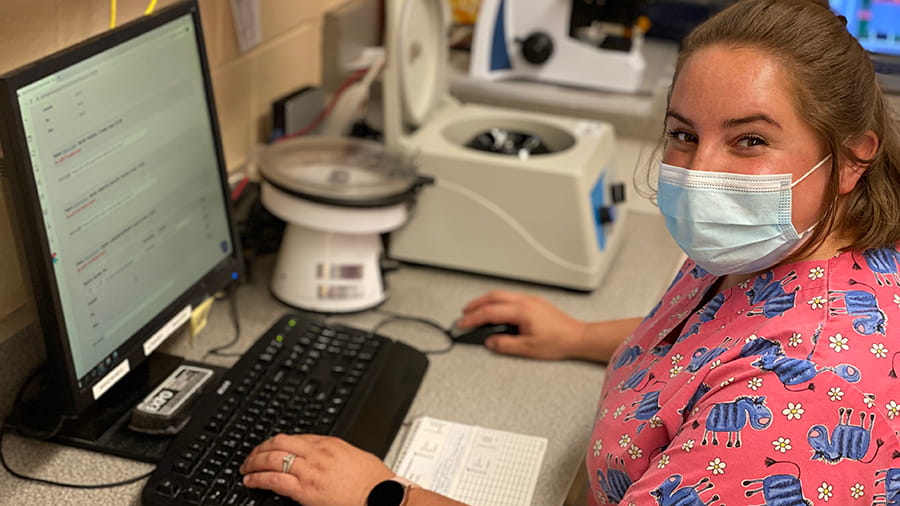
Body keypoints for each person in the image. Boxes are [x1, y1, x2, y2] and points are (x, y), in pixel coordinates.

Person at [238, 0, 900, 503]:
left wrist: (385, 495)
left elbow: (759, 372)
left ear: (850, 159)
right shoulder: (774, 250)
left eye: (750, 140)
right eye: (682, 133)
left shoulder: (806, 392)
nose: (700, 173)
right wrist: (580, 335)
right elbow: (716, 341)